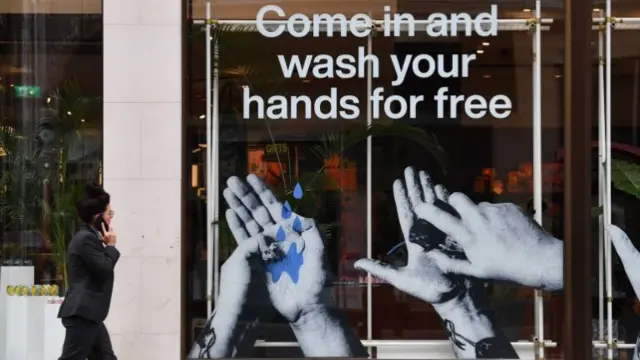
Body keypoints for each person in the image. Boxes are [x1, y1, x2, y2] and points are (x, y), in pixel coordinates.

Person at [57, 183, 119, 360]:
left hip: (90, 314)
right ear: (97, 217)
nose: (111, 219)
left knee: (106, 357)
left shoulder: (90, 238)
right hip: (83, 313)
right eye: (109, 214)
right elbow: (104, 268)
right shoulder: (85, 239)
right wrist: (112, 246)